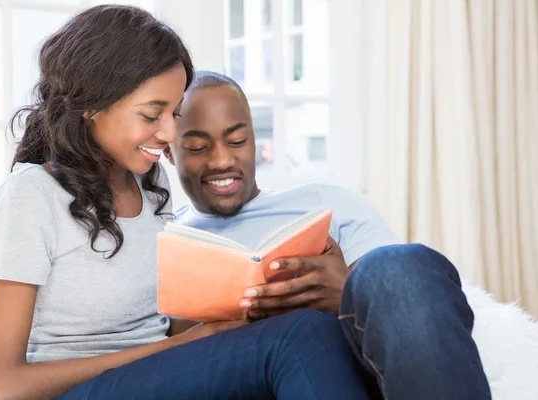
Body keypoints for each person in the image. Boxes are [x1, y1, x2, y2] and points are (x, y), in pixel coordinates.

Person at [0, 6, 376, 400]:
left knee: (306, 322)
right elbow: (3, 386)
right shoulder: (32, 195)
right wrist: (177, 348)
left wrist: (253, 309)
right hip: (78, 392)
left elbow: (154, 326)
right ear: (91, 107)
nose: (170, 132)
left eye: (174, 113)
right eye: (153, 115)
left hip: (154, 377)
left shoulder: (150, 184)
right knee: (299, 338)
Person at [166, 71, 493, 400]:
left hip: (349, 372)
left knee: (398, 263)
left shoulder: (329, 202)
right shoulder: (164, 239)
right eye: (197, 147)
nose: (222, 160)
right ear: (168, 152)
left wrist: (344, 292)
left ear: (254, 140)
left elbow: (406, 297)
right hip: (231, 378)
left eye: (237, 141)